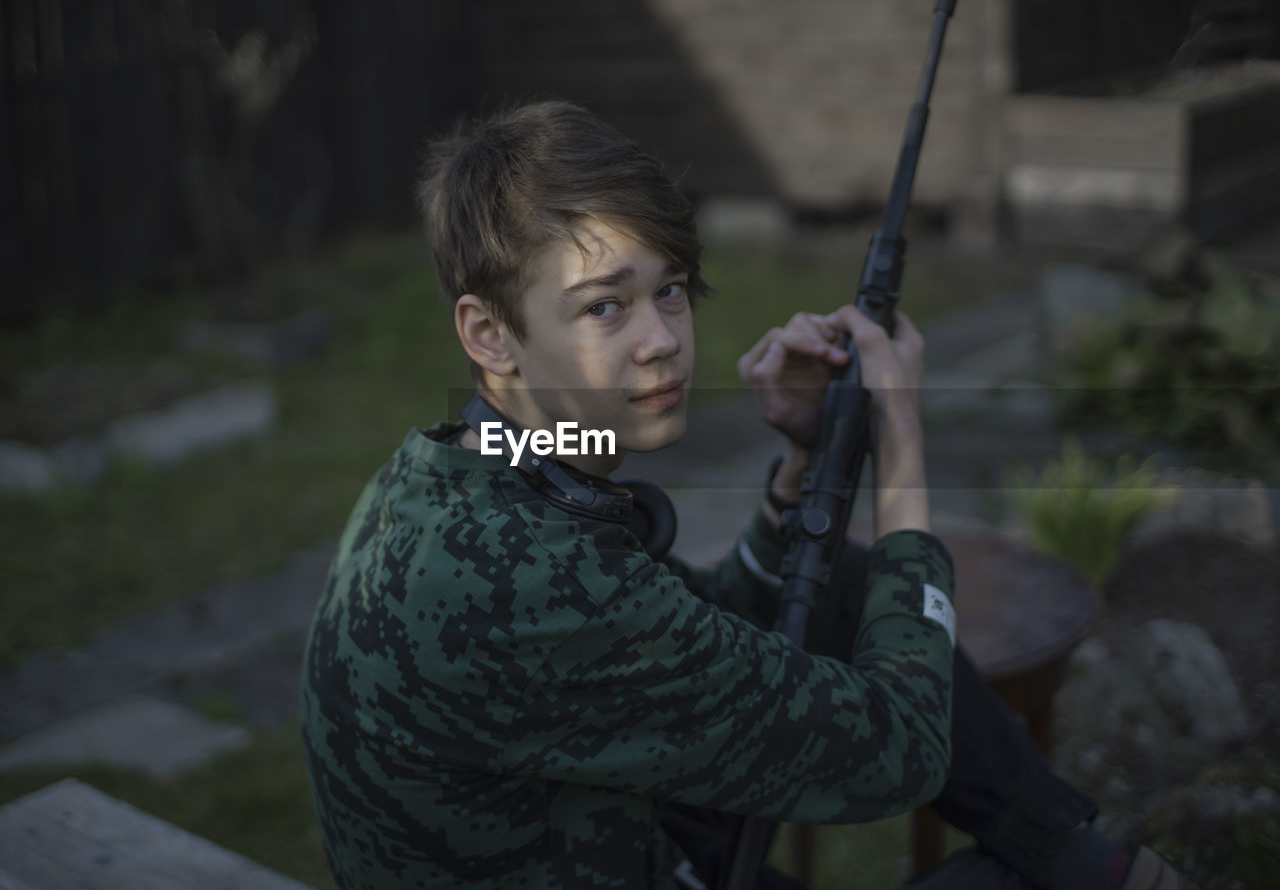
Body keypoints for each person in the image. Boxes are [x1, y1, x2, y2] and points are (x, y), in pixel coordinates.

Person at [298, 100, 1193, 890]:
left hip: (615, 839)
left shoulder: (462, 465)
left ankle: (1082, 860)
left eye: (671, 290)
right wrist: (904, 452)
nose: (661, 340)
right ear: (489, 333)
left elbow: (695, 642)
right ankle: (1090, 868)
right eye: (605, 307)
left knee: (837, 576)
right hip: (634, 853)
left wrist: (802, 471)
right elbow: (901, 751)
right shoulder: (531, 577)